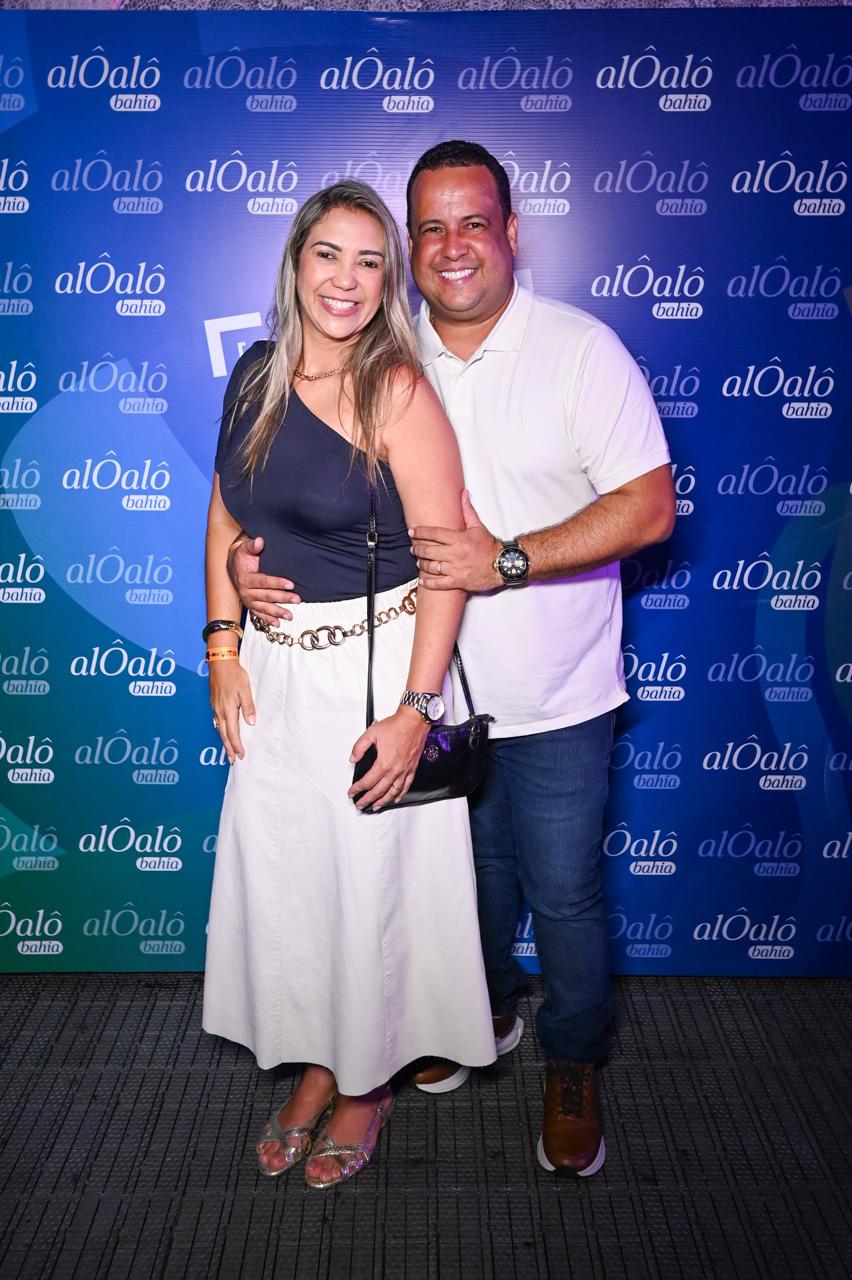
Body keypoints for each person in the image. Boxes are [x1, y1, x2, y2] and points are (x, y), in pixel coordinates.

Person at [230, 143, 675, 1178]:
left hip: (551, 691)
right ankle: (477, 1016)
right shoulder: (382, 352)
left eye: (473, 222)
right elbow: (295, 492)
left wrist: (506, 560)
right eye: (429, 227)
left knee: (562, 893)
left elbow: (650, 508)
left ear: (512, 232)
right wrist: (251, 564)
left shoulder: (581, 350)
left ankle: (574, 1061)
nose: (452, 245)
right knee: (449, 893)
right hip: (414, 694)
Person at [202, 179, 496, 1190]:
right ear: (296, 263)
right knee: (297, 887)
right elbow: (226, 515)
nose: (347, 279)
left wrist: (416, 713)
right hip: (278, 676)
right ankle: (320, 1060)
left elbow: (449, 562)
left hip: (378, 678)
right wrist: (224, 647)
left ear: (389, 281)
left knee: (373, 893)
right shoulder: (254, 372)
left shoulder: (398, 392)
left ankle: (366, 1083)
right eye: (328, 254)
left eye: (370, 261)